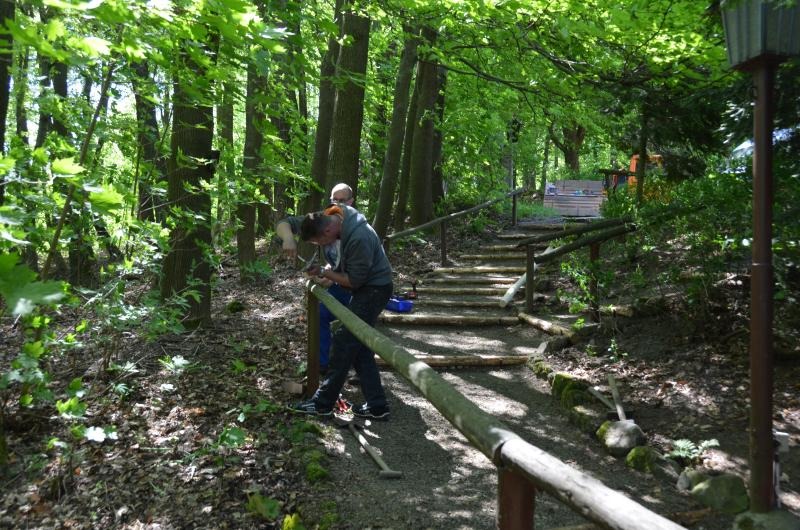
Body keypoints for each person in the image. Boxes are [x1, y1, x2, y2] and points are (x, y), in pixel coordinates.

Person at [288, 203, 393, 420]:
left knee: (345, 341)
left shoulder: (358, 237)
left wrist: (326, 272)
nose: (320, 245)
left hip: (375, 289)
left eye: (319, 242)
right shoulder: (327, 215)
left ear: (328, 231)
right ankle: (377, 405)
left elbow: (354, 281)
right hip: (365, 288)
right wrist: (289, 240)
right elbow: (286, 223)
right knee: (359, 345)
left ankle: (322, 403)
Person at [275, 183, 355, 373]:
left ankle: (360, 368)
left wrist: (329, 275)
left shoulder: (356, 227)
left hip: (360, 286)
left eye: (342, 200)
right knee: (319, 315)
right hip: (340, 284)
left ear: (351, 202)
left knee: (357, 327)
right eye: (334, 200)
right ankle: (322, 365)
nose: (338, 204)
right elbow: (284, 223)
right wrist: (288, 239)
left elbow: (356, 274)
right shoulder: (322, 218)